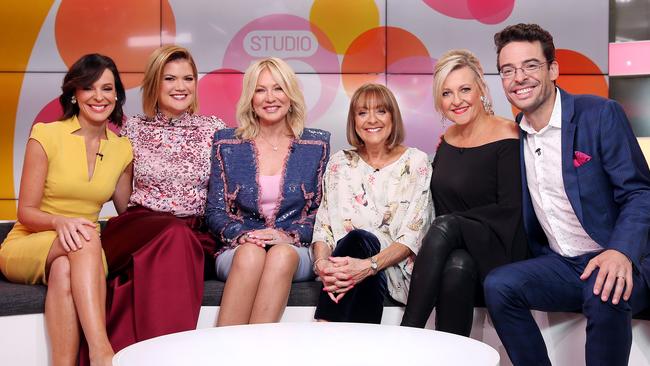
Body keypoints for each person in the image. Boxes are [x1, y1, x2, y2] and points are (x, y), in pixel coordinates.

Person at [483, 23, 650, 366]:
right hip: (563, 264)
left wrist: (620, 251)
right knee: (500, 285)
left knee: (604, 290)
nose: (519, 78)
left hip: (620, 256)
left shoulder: (600, 114)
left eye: (530, 66)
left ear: (553, 69)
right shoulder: (517, 135)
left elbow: (639, 192)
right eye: (507, 70)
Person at [0, 54, 132, 366]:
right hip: (31, 242)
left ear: (117, 95)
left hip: (80, 253)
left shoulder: (123, 149)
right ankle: (101, 351)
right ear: (75, 93)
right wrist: (61, 222)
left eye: (107, 88)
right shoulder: (46, 135)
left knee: (64, 268)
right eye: (89, 87)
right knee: (85, 235)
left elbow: (129, 210)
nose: (99, 97)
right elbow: (26, 212)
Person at [100, 45, 226, 353]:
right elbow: (123, 197)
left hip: (194, 232)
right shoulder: (132, 129)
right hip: (141, 223)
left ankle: (151, 354)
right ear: (155, 83)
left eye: (188, 78)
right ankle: (167, 354)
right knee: (171, 233)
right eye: (170, 79)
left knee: (178, 237)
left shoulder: (215, 129)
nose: (180, 87)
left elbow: (222, 195)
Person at [399, 49, 528, 335]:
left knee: (446, 225)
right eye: (447, 93)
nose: (456, 101)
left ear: (481, 88)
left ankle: (407, 334)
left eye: (465, 89)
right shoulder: (446, 140)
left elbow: (511, 209)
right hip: (457, 251)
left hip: (501, 245)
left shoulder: (508, 134)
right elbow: (439, 202)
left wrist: (453, 228)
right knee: (457, 265)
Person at [205, 57, 330, 325]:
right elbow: (215, 211)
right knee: (251, 254)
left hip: (295, 249)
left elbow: (321, 210)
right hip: (238, 249)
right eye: (260, 90)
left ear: (291, 94)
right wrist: (246, 236)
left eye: (278, 88)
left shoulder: (316, 143)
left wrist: (287, 235)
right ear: (250, 97)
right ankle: (221, 351)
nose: (270, 98)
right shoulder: (226, 143)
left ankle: (257, 352)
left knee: (281, 255)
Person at [311, 83, 433, 323]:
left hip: (393, 270)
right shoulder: (339, 163)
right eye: (362, 112)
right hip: (343, 266)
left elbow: (412, 236)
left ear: (392, 117)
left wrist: (368, 265)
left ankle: (324, 327)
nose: (371, 119)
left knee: (360, 242)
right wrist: (322, 263)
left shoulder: (416, 163)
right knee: (355, 247)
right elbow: (323, 227)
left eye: (381, 111)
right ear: (354, 121)